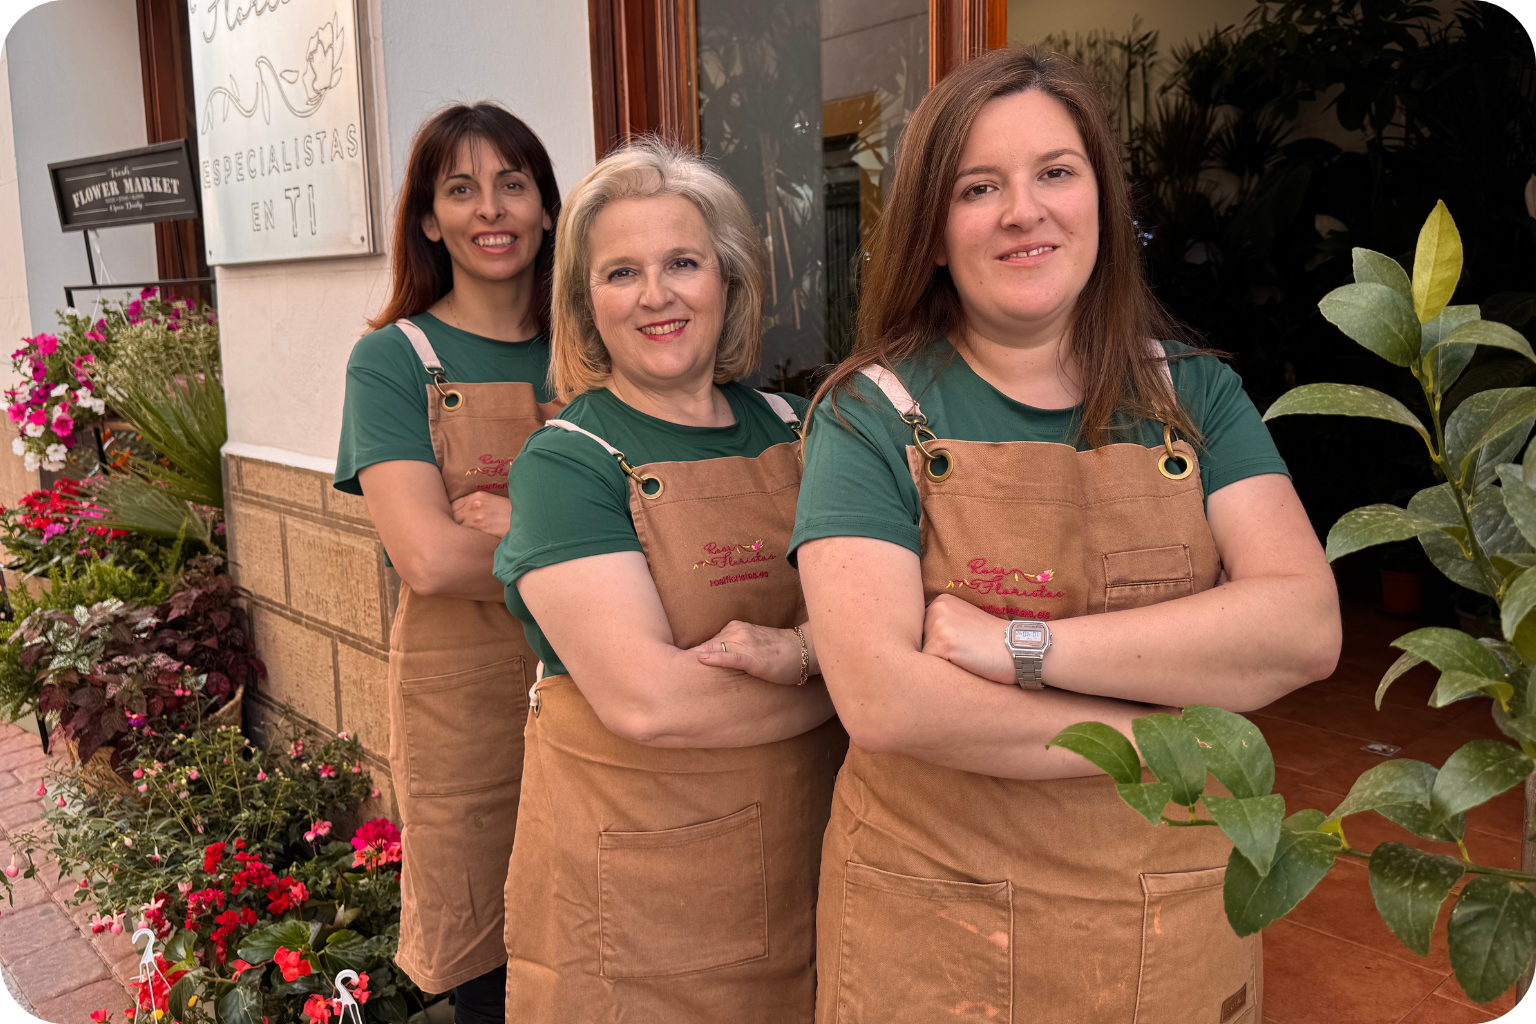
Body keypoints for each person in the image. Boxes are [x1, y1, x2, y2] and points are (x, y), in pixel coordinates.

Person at [792, 48, 1342, 1023]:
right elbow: (884, 698)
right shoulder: (866, 417)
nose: (1024, 209)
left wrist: (1019, 649)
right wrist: (1172, 736)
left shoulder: (1195, 394)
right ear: (930, 228)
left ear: (1101, 201)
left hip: (1169, 916)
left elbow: (1301, 625)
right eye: (978, 186)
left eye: (1055, 172)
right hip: (936, 936)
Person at [493, 140, 845, 1023]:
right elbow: (653, 703)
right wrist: (860, 682)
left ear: (726, 280)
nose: (656, 295)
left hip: (818, 854)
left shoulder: (807, 432)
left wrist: (802, 650)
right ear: (584, 302)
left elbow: (908, 612)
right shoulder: (566, 464)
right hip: (642, 906)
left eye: (682, 262)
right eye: (621, 272)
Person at [333, 102, 562, 1024]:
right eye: (460, 189)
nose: (490, 209)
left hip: (598, 676)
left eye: (513, 183)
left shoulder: (594, 349)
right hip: (465, 698)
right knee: (492, 959)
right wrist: (584, 546)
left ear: (548, 207)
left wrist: (510, 527)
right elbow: (427, 558)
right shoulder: (395, 361)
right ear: (429, 219)